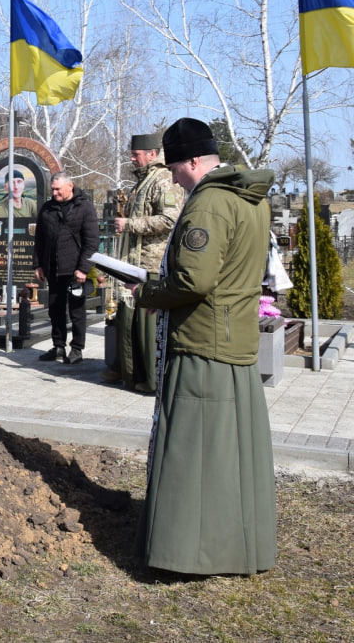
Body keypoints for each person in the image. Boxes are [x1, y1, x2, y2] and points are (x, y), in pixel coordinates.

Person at [130, 117, 275, 575]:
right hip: (234, 339)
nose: (172, 176)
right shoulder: (248, 199)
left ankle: (184, 551)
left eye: (176, 167)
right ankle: (237, 542)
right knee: (231, 454)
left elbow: (195, 278)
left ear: (195, 160)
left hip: (203, 342)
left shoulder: (208, 205)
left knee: (195, 452)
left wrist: (148, 293)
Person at [109, 133, 184, 392]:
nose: (132, 158)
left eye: (136, 155)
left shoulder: (163, 180)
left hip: (152, 264)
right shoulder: (142, 182)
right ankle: (130, 374)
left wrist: (130, 224)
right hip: (133, 263)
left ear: (152, 154)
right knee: (129, 323)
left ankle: (150, 379)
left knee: (146, 328)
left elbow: (169, 219)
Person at [33, 172, 99, 364]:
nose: (54, 193)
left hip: (75, 269)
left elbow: (92, 241)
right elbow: (39, 239)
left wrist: (84, 269)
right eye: (52, 189)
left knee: (77, 311)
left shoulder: (85, 207)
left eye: (58, 189)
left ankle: (77, 349)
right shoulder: (47, 208)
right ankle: (58, 346)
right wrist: (37, 264)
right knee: (55, 309)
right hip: (53, 268)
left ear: (70, 186)